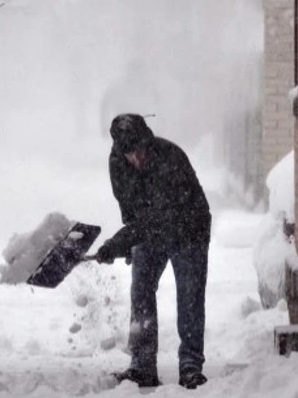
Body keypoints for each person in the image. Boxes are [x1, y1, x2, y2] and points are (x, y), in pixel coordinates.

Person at [94, 113, 211, 390]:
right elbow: (130, 208)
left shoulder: (169, 158)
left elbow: (158, 218)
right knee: (141, 290)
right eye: (129, 153)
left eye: (140, 150)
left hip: (189, 228)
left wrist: (119, 243)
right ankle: (142, 366)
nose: (136, 157)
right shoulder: (117, 163)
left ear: (147, 141)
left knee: (190, 295)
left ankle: (190, 366)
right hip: (150, 229)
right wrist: (128, 244)